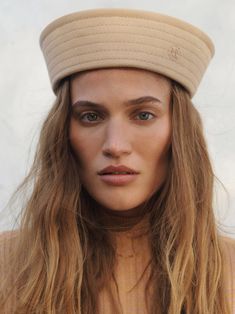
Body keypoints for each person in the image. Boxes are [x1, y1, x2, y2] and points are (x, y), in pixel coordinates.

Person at [0, 7, 235, 314]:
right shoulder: (7, 265)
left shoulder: (228, 272)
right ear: (62, 134)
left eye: (143, 115)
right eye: (90, 116)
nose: (115, 145)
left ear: (179, 132)